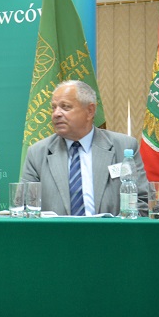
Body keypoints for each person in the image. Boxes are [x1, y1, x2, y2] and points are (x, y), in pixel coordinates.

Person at [22, 80, 149, 216]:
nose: (56, 114)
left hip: (110, 229)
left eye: (65, 107)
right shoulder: (37, 153)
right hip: (56, 230)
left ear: (90, 111)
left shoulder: (124, 147)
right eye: (54, 108)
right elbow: (26, 207)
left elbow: (141, 201)